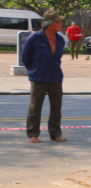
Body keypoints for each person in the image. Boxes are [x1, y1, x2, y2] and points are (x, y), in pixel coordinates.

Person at [22, 10, 66, 144]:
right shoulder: (33, 39)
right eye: (57, 22)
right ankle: (33, 134)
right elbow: (26, 58)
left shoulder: (60, 39)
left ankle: (55, 133)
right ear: (49, 24)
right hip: (38, 77)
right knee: (35, 108)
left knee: (56, 108)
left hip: (56, 77)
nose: (60, 24)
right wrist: (34, 70)